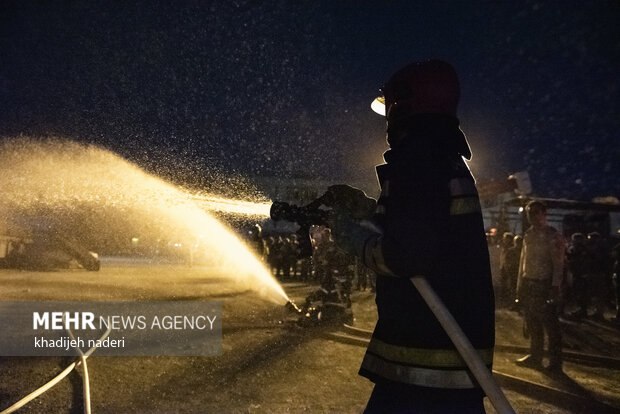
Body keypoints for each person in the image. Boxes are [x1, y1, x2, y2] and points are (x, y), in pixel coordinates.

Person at [329, 59, 495, 413]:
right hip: (445, 361)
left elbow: (406, 254)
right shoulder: (441, 156)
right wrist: (370, 210)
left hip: (423, 368)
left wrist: (353, 239)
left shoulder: (418, 157)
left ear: (403, 105)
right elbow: (424, 229)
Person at [515, 201, 564, 373]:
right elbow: (523, 261)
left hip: (545, 284)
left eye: (535, 212)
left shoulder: (553, 235)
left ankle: (555, 363)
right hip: (530, 282)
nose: (532, 216)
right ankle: (535, 357)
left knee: (550, 325)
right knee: (532, 322)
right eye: (529, 213)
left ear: (544, 213)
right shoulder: (528, 234)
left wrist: (555, 286)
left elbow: (558, 263)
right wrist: (520, 284)